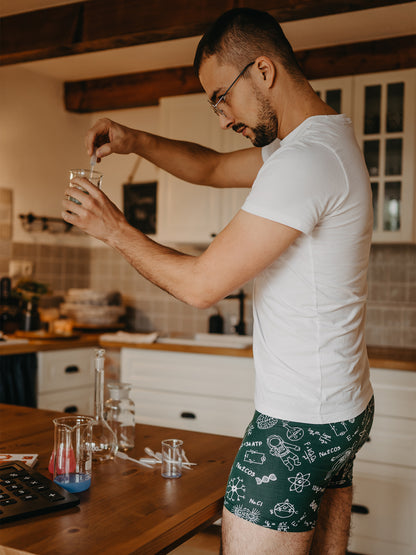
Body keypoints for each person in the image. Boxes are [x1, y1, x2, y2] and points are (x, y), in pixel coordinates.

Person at [62, 8, 374, 554]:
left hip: (298, 421)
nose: (222, 116)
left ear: (262, 70)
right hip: (341, 407)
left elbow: (202, 285)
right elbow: (208, 167)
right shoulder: (314, 143)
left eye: (221, 97)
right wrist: (135, 139)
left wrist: (112, 228)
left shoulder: (307, 160)